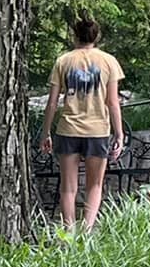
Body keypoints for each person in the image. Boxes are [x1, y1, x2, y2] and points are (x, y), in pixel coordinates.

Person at [38, 16, 124, 232]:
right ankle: (87, 232)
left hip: (68, 130)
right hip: (98, 131)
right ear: (96, 36)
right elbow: (113, 102)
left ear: (75, 35)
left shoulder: (63, 61)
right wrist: (119, 134)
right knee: (95, 185)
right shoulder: (109, 61)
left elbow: (52, 103)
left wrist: (46, 132)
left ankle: (68, 233)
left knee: (68, 188)